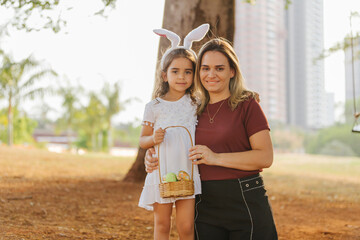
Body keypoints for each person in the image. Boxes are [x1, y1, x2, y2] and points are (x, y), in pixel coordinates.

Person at [145, 37, 278, 240]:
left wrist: (215, 158)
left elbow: (265, 157)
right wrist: (152, 154)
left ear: (232, 71)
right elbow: (173, 138)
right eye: (205, 68)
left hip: (244, 200)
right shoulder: (192, 108)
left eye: (219, 68)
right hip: (203, 203)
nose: (211, 74)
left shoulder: (247, 104)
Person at [138, 24, 210, 240]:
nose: (182, 77)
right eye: (175, 71)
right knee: (161, 224)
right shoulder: (154, 107)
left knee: (186, 226)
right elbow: (142, 140)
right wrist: (153, 139)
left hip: (187, 173)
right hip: (161, 172)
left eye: (188, 72)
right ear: (164, 75)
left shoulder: (196, 103)